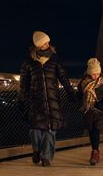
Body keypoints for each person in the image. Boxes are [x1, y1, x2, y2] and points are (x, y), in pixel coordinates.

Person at [18, 30, 75, 167]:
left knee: (50, 129)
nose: (47, 44)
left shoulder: (54, 59)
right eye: (44, 42)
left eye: (48, 42)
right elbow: (23, 82)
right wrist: (21, 97)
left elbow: (63, 77)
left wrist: (70, 91)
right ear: (38, 45)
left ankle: (46, 157)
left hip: (52, 99)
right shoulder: (29, 62)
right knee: (35, 129)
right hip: (35, 100)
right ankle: (37, 150)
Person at [77, 58, 103, 165]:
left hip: (98, 110)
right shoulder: (83, 83)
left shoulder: (102, 83)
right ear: (89, 73)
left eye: (98, 73)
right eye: (93, 74)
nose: (96, 76)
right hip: (88, 110)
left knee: (96, 130)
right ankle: (94, 150)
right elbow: (79, 95)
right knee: (91, 130)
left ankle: (95, 152)